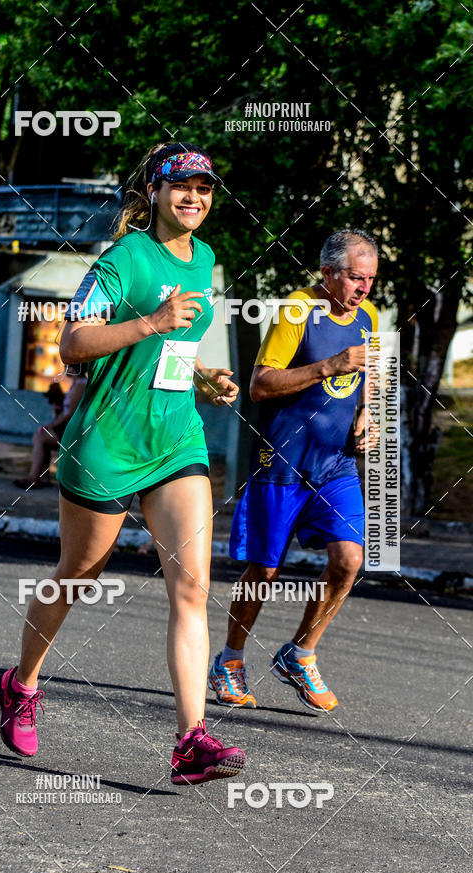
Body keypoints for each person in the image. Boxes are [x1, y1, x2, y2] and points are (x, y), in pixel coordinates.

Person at [0, 142, 247, 785]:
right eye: (181, 187)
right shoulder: (123, 258)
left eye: (205, 189)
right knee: (78, 575)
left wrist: (204, 377)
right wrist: (149, 322)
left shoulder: (207, 259)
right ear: (155, 192)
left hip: (174, 441)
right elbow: (72, 343)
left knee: (192, 587)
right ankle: (21, 684)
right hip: (106, 441)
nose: (194, 198)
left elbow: (172, 352)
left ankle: (191, 739)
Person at [208, 229, 380, 713]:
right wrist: (330, 365)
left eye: (370, 279)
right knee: (263, 567)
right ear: (327, 273)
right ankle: (231, 660)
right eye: (354, 277)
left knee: (349, 560)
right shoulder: (297, 311)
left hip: (336, 464)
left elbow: (372, 374)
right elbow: (261, 384)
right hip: (282, 461)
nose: (363, 288)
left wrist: (367, 415)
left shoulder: (369, 316)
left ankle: (300, 653)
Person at [13, 369, 87, 490]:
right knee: (42, 436)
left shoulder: (81, 384)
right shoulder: (76, 384)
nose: (66, 369)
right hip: (67, 428)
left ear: (77, 368)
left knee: (40, 437)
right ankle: (44, 478)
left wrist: (52, 425)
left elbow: (72, 413)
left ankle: (33, 479)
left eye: (69, 366)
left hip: (73, 431)